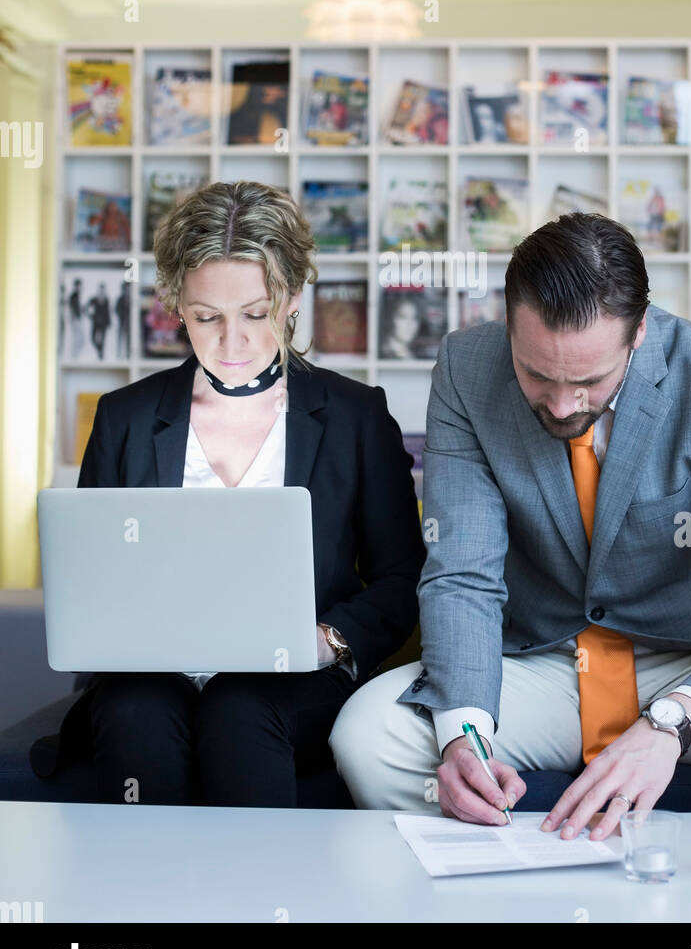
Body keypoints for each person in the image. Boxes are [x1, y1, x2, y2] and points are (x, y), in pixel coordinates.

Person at [330, 210, 691, 833]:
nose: (562, 406)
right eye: (536, 374)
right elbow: (462, 577)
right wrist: (463, 740)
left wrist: (670, 724)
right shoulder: (465, 369)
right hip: (543, 663)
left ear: (638, 333)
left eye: (588, 381)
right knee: (370, 737)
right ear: (509, 326)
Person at [32, 180, 424, 806]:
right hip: (150, 672)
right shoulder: (124, 418)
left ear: (293, 298)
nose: (232, 343)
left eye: (256, 313)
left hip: (293, 677)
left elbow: (403, 577)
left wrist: (330, 640)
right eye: (207, 317)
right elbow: (91, 582)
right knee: (138, 717)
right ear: (175, 304)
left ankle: (258, 900)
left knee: (239, 712)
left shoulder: (356, 417)